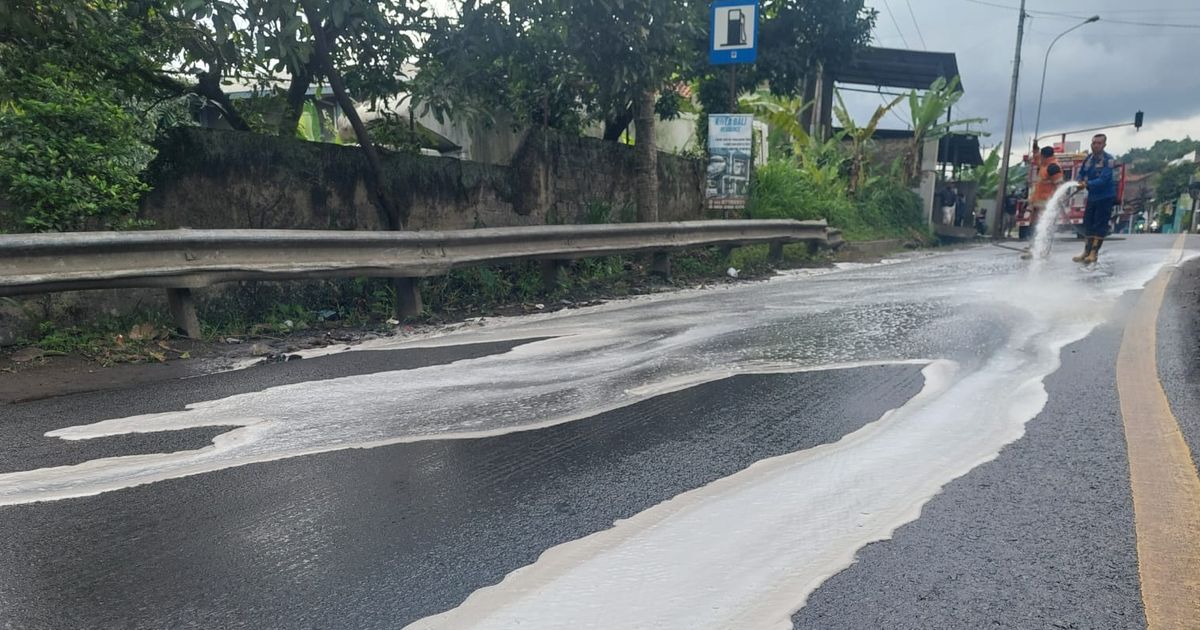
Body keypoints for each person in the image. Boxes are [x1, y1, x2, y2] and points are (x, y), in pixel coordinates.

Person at [1072, 134, 1118, 264]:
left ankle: (1094, 253)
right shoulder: (1088, 159)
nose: (1095, 145)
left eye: (1099, 143)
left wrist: (1087, 184)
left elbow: (1104, 179)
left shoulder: (1109, 160)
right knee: (1088, 223)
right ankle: (1086, 251)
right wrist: (1079, 181)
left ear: (1104, 145)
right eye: (1094, 143)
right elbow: (1081, 173)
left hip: (1105, 197)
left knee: (1100, 225)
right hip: (1092, 197)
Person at [1027, 144, 1063, 240]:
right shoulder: (1044, 165)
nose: (1039, 158)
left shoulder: (1053, 168)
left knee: (1043, 227)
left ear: (1044, 156)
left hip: (1046, 204)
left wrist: (1057, 201)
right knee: (1035, 227)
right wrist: (1035, 149)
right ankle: (1033, 246)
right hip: (1038, 204)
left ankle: (1042, 248)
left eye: (1040, 156)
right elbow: (1036, 159)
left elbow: (1059, 186)